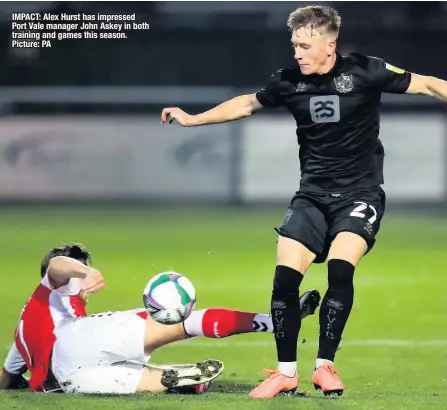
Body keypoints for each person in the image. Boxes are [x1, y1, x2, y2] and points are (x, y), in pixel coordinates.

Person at [160, 5, 447, 399]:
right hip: (311, 196)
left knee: (341, 271)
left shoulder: (365, 70)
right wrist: (192, 119)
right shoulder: (288, 81)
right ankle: (285, 373)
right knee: (284, 280)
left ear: (330, 46)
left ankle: (325, 367)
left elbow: (430, 85)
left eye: (304, 45)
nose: (296, 52)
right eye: (294, 44)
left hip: (360, 194)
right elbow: (246, 104)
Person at [0, 243, 320, 394]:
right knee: (184, 322)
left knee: (145, 379)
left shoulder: (24, 326)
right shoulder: (52, 289)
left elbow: (7, 377)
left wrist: (19, 381)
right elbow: (57, 265)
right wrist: (85, 271)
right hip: (74, 341)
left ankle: (172, 380)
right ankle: (272, 322)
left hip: (63, 382)